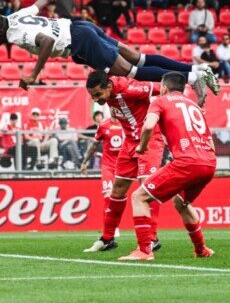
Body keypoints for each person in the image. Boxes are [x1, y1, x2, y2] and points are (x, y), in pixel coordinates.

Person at [0, 0, 218, 103]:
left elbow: (45, 42)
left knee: (132, 72)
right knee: (138, 58)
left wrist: (34, 75)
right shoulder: (13, 16)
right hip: (79, 26)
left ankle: (194, 78)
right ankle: (197, 69)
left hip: (79, 42)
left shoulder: (13, 34)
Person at [117, 72, 216, 261]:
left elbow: (148, 127)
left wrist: (142, 146)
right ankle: (201, 249)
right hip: (209, 162)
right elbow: (210, 142)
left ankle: (145, 250)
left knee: (139, 197)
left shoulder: (161, 101)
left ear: (163, 87)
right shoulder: (193, 104)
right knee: (181, 202)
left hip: (186, 162)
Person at [82, 72, 164, 254]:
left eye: (98, 94)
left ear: (108, 87)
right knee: (117, 190)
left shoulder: (131, 89)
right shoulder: (109, 94)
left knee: (146, 189)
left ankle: (152, 239)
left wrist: (160, 114)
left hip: (149, 139)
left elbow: (165, 88)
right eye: (92, 96)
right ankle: (107, 238)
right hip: (129, 142)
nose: (96, 99)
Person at [81, 115, 124, 210]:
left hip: (123, 166)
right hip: (108, 166)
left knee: (118, 198)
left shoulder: (127, 123)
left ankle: (114, 223)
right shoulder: (103, 125)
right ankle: (109, 225)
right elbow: (94, 145)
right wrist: (85, 162)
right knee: (108, 195)